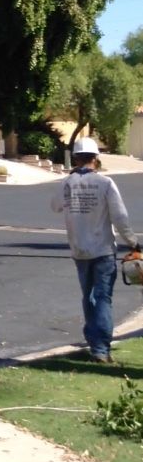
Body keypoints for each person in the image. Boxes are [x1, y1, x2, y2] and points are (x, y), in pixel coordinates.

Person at [51, 136, 140, 363]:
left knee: (88, 297)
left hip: (79, 250)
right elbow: (119, 217)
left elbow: (55, 206)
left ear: (76, 158)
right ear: (96, 159)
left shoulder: (66, 183)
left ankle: (94, 341)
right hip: (102, 250)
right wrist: (132, 242)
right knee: (102, 298)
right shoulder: (105, 183)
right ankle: (100, 348)